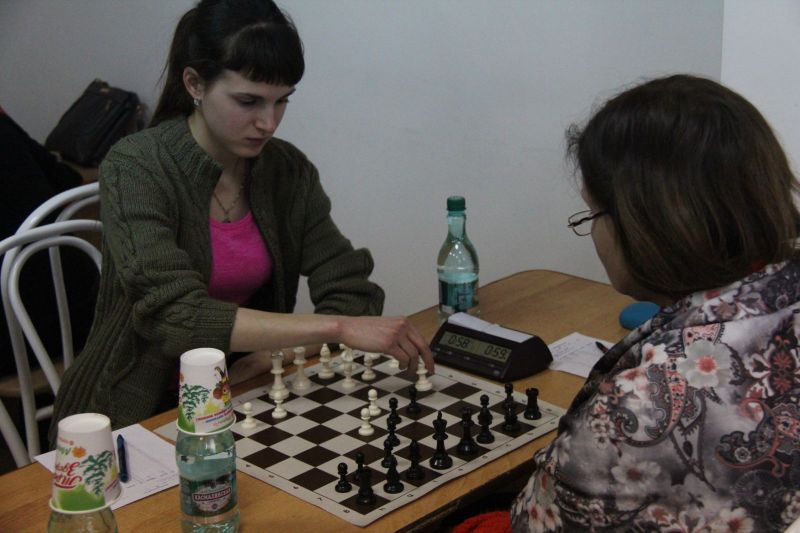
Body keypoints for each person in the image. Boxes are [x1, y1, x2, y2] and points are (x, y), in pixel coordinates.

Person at [50, 0, 433, 440]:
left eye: (281, 101)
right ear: (194, 83)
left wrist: (284, 349)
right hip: (131, 415)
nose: (268, 123)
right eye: (248, 101)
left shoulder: (287, 170)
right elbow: (179, 318)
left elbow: (352, 291)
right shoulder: (136, 166)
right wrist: (339, 328)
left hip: (246, 396)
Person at [508, 75, 800, 531]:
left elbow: (530, 523)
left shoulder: (637, 411)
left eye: (594, 212)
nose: (594, 232)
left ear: (649, 223)